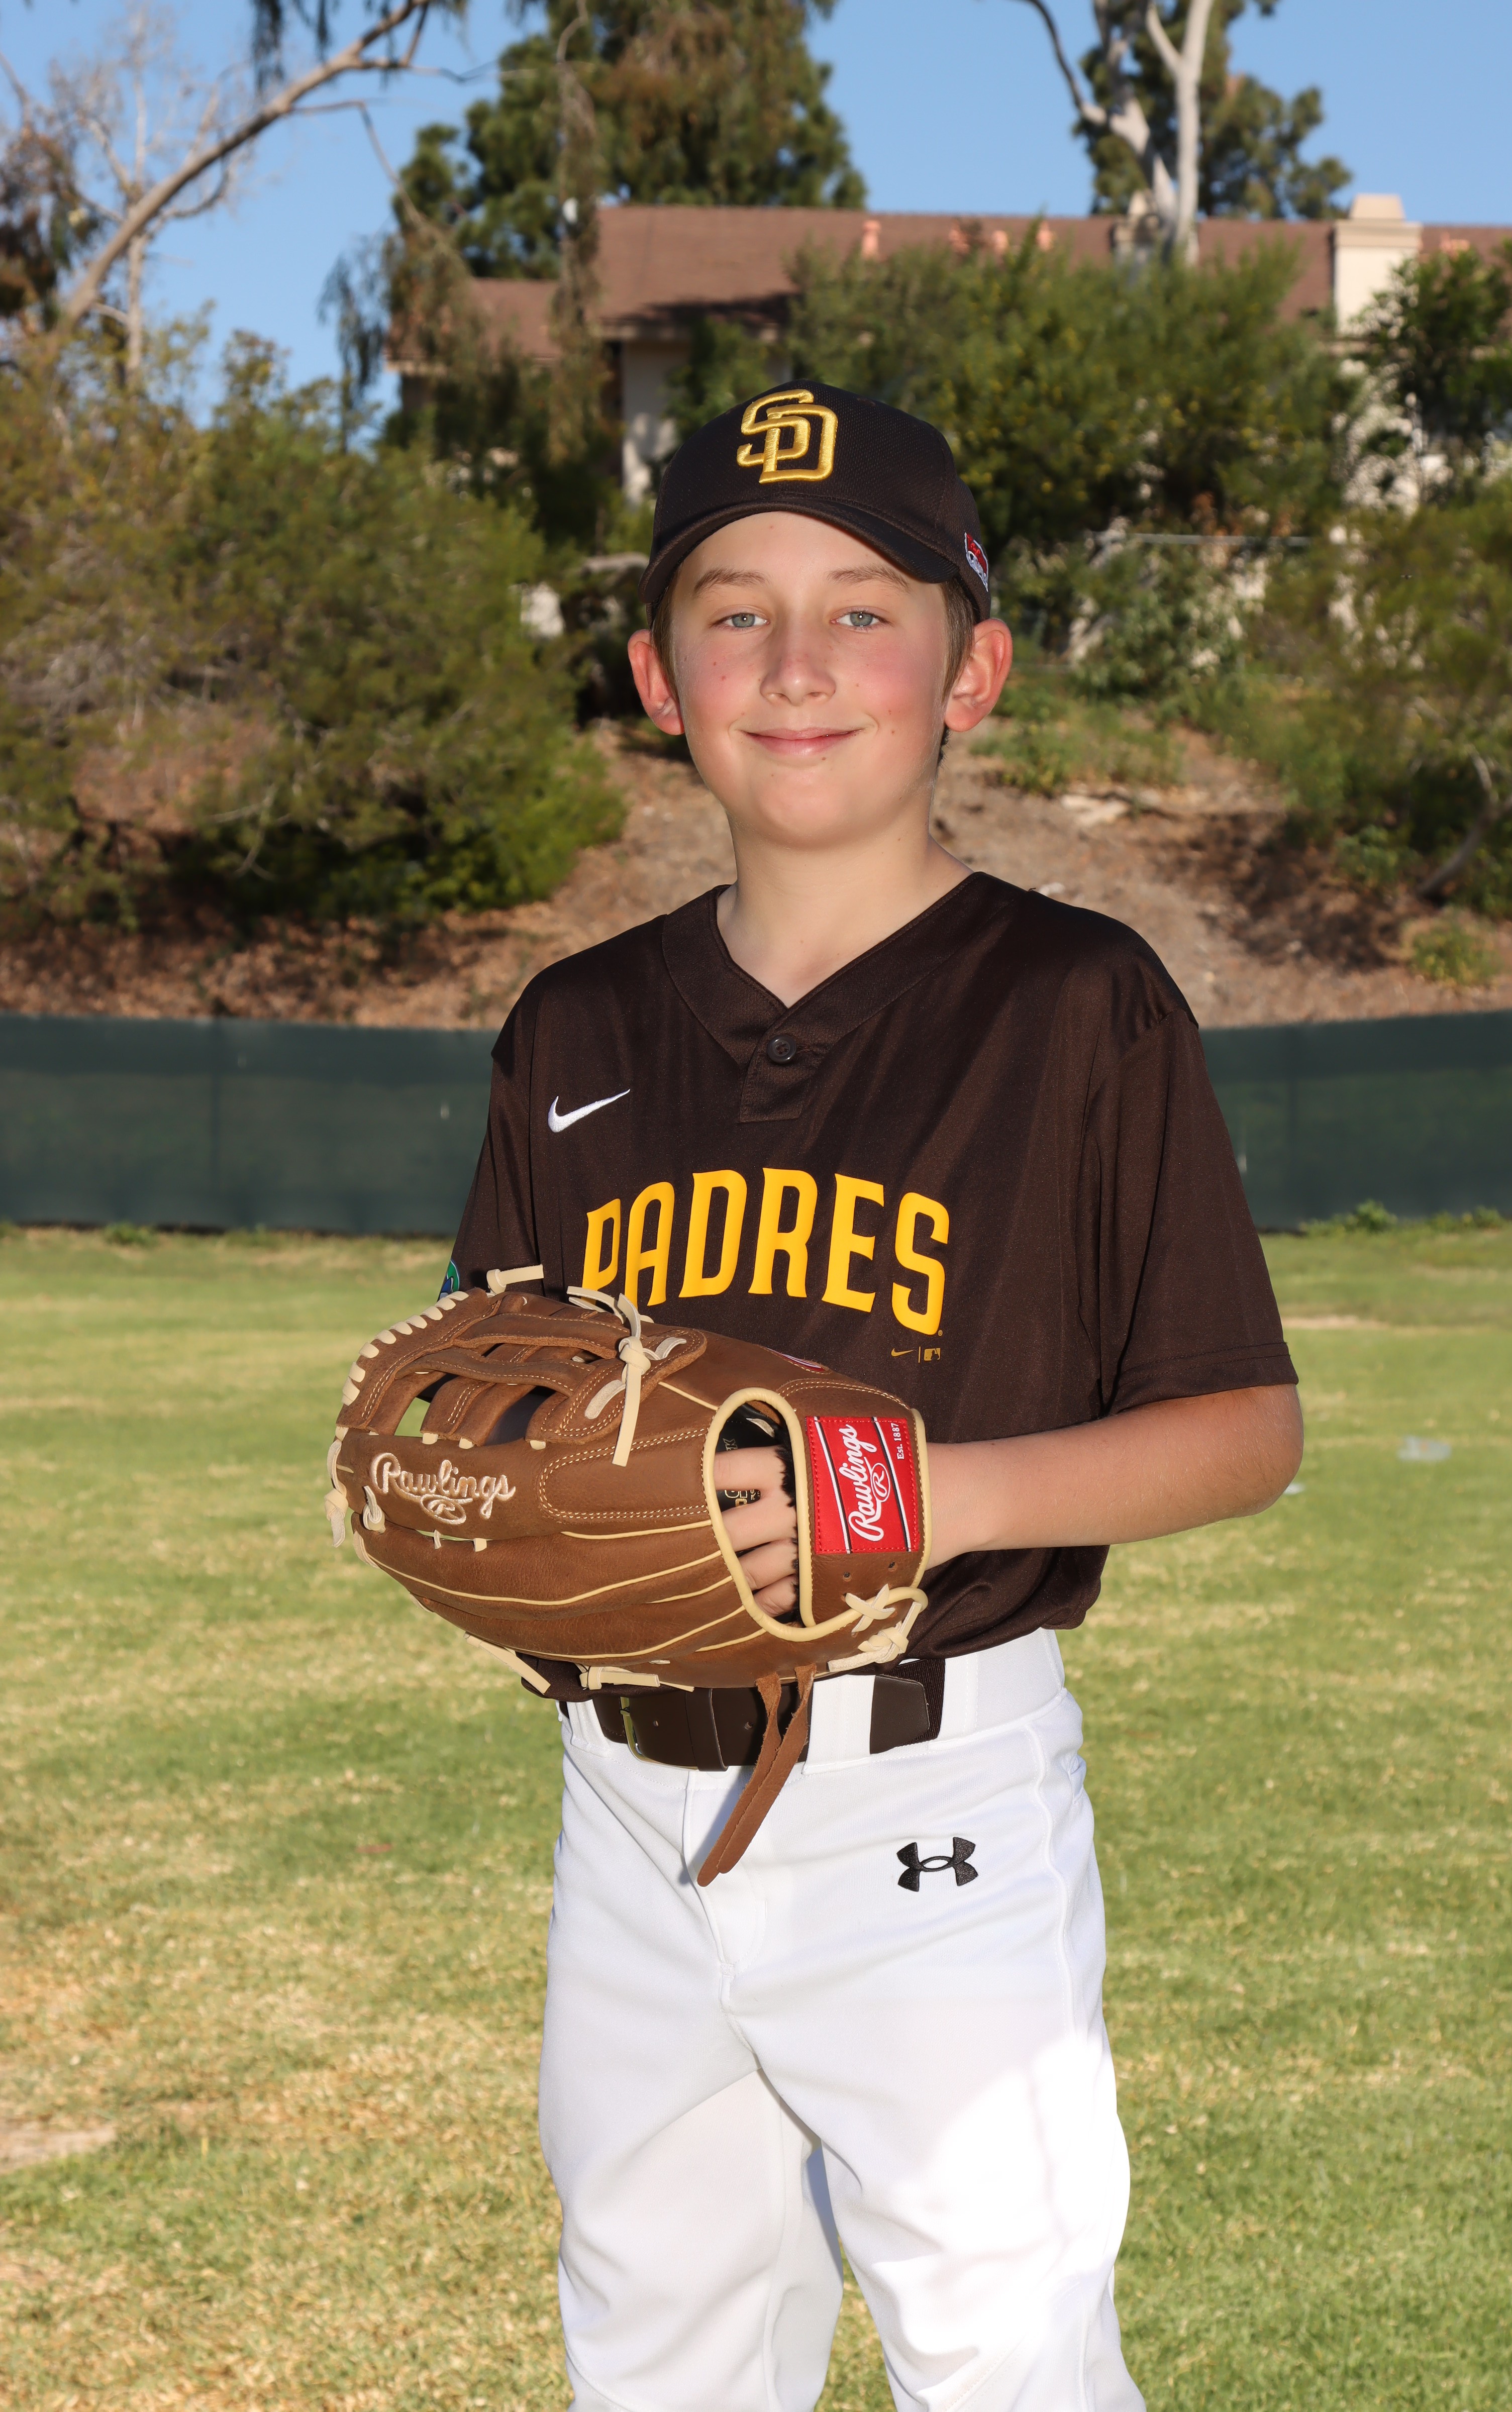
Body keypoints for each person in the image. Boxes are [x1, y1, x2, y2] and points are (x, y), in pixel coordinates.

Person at [446, 381, 1302, 2412]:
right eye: (734, 614)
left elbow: (1242, 1430)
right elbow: (501, 1398)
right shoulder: (576, 1026)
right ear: (658, 679)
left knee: (1003, 2354)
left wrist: (920, 1495)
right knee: (657, 2342)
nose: (798, 663)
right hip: (626, 1800)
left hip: (931, 1790)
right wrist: (498, 1511)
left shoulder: (1073, 1002)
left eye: (864, 609)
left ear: (970, 670)